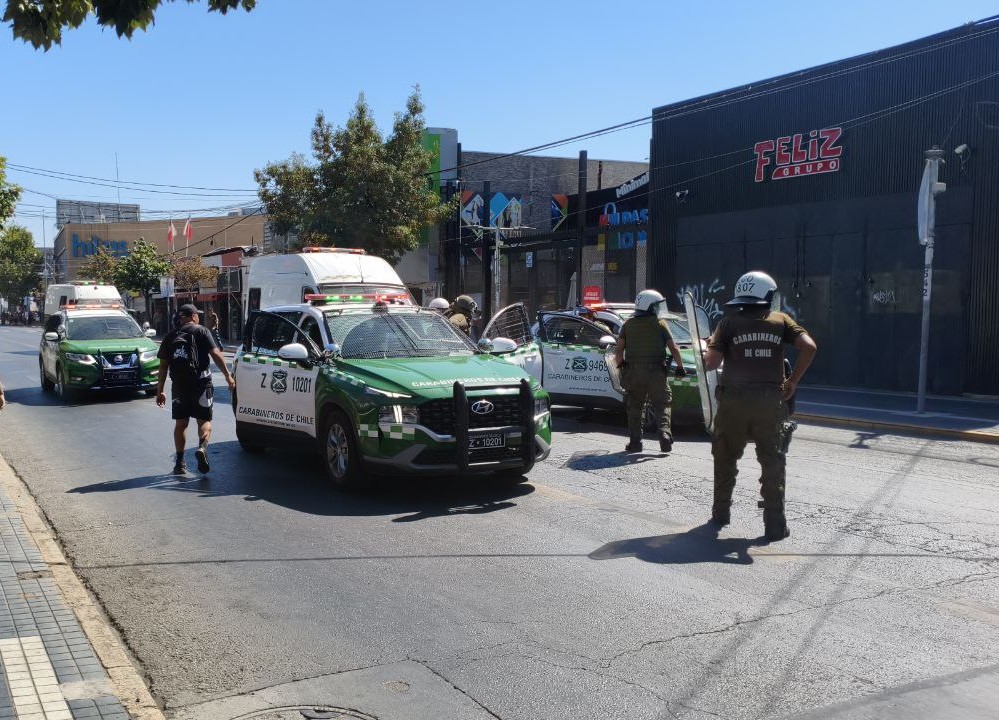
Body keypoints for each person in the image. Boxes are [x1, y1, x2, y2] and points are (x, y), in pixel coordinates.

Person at [703, 271, 817, 542]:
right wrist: (793, 381)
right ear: (767, 295)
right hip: (769, 403)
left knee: (725, 456)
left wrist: (710, 346)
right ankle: (775, 526)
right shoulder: (782, 320)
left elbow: (710, 363)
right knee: (772, 462)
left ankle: (721, 513)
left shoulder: (727, 323)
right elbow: (809, 347)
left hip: (733, 402)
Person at [156, 303, 236, 475]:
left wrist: (160, 390)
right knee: (204, 421)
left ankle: (180, 463)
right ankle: (202, 447)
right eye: (197, 314)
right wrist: (228, 376)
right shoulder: (201, 331)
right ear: (193, 316)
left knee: (181, 423)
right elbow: (216, 354)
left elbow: (163, 367)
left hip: (179, 385)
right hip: (201, 383)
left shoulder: (170, 336)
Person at [613, 289, 686, 454]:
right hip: (656, 374)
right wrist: (680, 367)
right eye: (656, 306)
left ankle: (635, 443)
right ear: (650, 307)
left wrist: (622, 366)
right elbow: (673, 348)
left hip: (634, 373)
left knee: (635, 407)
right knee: (663, 404)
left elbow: (618, 352)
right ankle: (664, 433)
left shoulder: (627, 325)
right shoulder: (660, 324)